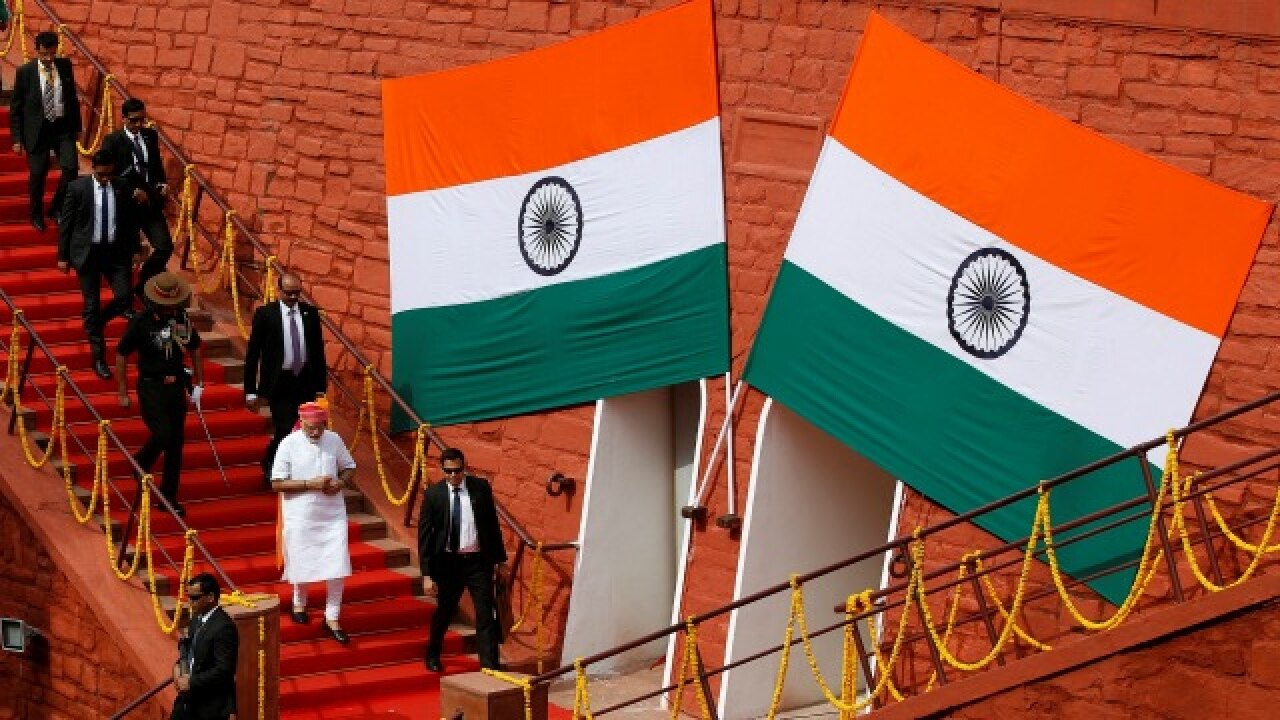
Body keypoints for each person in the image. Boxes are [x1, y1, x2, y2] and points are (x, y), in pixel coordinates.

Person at [116, 272, 205, 517]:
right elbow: (121, 354)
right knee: (163, 433)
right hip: (151, 386)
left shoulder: (180, 319)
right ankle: (141, 462)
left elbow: (195, 348)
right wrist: (122, 392)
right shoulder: (140, 322)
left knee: (176, 443)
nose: (170, 309)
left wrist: (200, 382)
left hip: (176, 386)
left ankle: (168, 497)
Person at [271, 401, 355, 645]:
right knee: (301, 559)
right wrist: (310, 484)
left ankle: (332, 617)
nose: (316, 432)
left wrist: (340, 483)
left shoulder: (334, 439)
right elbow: (276, 483)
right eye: (310, 428)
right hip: (300, 514)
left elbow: (349, 467)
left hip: (332, 514)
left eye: (319, 427)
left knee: (338, 562)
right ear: (302, 424)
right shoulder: (288, 444)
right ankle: (299, 603)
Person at [417, 448, 507, 672]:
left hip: (477, 562)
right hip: (449, 563)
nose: (453, 476)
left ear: (463, 468)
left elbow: (491, 525)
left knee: (486, 613)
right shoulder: (434, 495)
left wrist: (500, 560)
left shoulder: (480, 489)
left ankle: (489, 664)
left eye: (457, 471)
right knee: (445, 611)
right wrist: (427, 574)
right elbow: (425, 536)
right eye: (448, 472)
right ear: (442, 470)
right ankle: (433, 653)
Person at [57, 150, 138, 380]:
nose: (106, 179)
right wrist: (62, 256)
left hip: (115, 253)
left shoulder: (121, 186)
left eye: (109, 175)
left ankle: (97, 322)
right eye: (102, 175)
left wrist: (135, 250)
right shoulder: (77, 188)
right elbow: (67, 224)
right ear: (94, 169)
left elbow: (129, 221)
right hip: (88, 254)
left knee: (124, 297)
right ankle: (99, 358)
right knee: (91, 305)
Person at [244, 272, 328, 486]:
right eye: (289, 293)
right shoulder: (266, 314)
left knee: (301, 426)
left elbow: (317, 352)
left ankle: (286, 466)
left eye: (297, 293)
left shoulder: (310, 314)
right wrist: (251, 391)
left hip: (304, 380)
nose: (293, 297)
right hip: (278, 382)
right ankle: (271, 465)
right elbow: (253, 353)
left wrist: (320, 387)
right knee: (285, 425)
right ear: (279, 291)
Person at [10, 30, 81, 231]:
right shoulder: (25, 72)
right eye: (44, 55)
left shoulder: (65, 66)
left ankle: (56, 207)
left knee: (71, 168)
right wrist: (17, 138)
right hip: (37, 130)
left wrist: (77, 127)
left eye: (52, 54)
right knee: (38, 174)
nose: (49, 58)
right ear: (37, 51)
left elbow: (72, 98)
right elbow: (16, 107)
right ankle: (36, 214)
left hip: (61, 128)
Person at [102, 98, 171, 296]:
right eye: (133, 121)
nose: (138, 125)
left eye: (141, 120)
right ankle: (124, 295)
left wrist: (162, 183)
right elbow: (106, 174)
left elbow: (155, 165)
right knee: (127, 254)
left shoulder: (150, 136)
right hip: (127, 206)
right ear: (123, 119)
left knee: (164, 246)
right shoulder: (112, 141)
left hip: (150, 202)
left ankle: (144, 281)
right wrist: (130, 191)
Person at [172, 572, 238, 720]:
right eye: (189, 597)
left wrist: (191, 682)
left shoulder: (224, 627)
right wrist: (178, 667)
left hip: (210, 707)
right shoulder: (196, 618)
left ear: (210, 597)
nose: (190, 602)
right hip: (188, 702)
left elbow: (224, 670)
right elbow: (190, 649)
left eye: (195, 598)